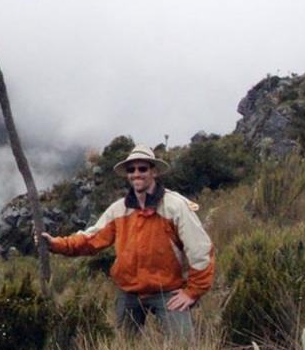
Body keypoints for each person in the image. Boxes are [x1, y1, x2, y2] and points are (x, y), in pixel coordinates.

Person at [40, 144, 214, 339]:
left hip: (167, 291)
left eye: (142, 168)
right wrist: (57, 244)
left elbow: (200, 249)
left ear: (154, 172)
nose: (136, 174)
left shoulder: (175, 207)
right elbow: (91, 239)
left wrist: (192, 292)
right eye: (131, 170)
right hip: (128, 292)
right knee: (124, 349)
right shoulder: (118, 210)